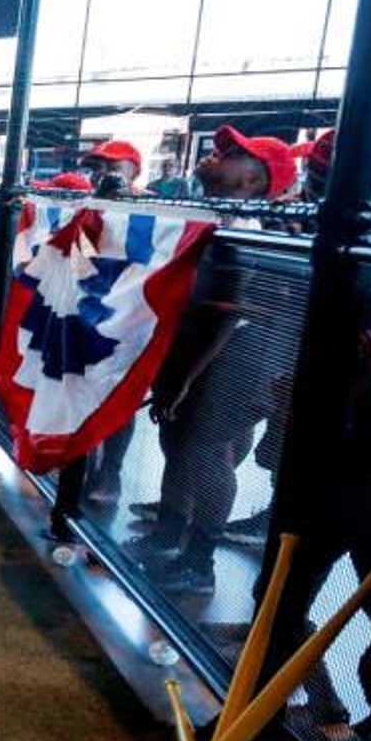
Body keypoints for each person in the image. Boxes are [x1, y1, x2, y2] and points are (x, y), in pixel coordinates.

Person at [128, 127, 297, 594]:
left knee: (206, 449)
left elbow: (228, 315)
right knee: (181, 439)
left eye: (231, 154)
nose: (214, 156)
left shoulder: (246, 228)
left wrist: (182, 379)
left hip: (241, 354)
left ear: (252, 180)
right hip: (219, 352)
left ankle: (199, 563)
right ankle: (169, 533)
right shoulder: (219, 215)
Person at [78, 139, 144, 198]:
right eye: (96, 168)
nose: (103, 174)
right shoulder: (81, 196)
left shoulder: (144, 203)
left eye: (113, 169)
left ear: (135, 174)